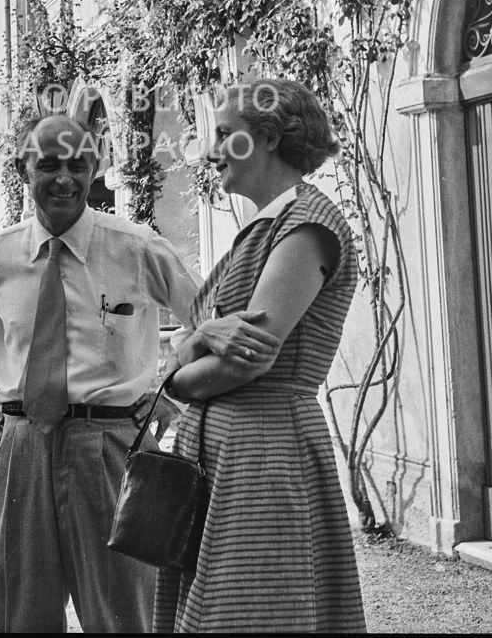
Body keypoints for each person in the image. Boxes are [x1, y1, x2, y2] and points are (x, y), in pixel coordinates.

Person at [0, 114, 202, 633]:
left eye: (78, 165)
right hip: (18, 449)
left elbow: (207, 321)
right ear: (22, 169)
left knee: (126, 613)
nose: (64, 178)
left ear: (95, 167)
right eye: (49, 165)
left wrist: (171, 393)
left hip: (110, 448)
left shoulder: (137, 247)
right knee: (21, 611)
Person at [154, 79, 367, 633]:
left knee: (249, 613)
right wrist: (195, 343)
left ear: (268, 138)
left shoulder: (306, 227)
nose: (210, 149)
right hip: (226, 456)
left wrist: (175, 381)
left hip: (264, 455)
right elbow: (193, 340)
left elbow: (245, 361)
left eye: (226, 134)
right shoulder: (264, 227)